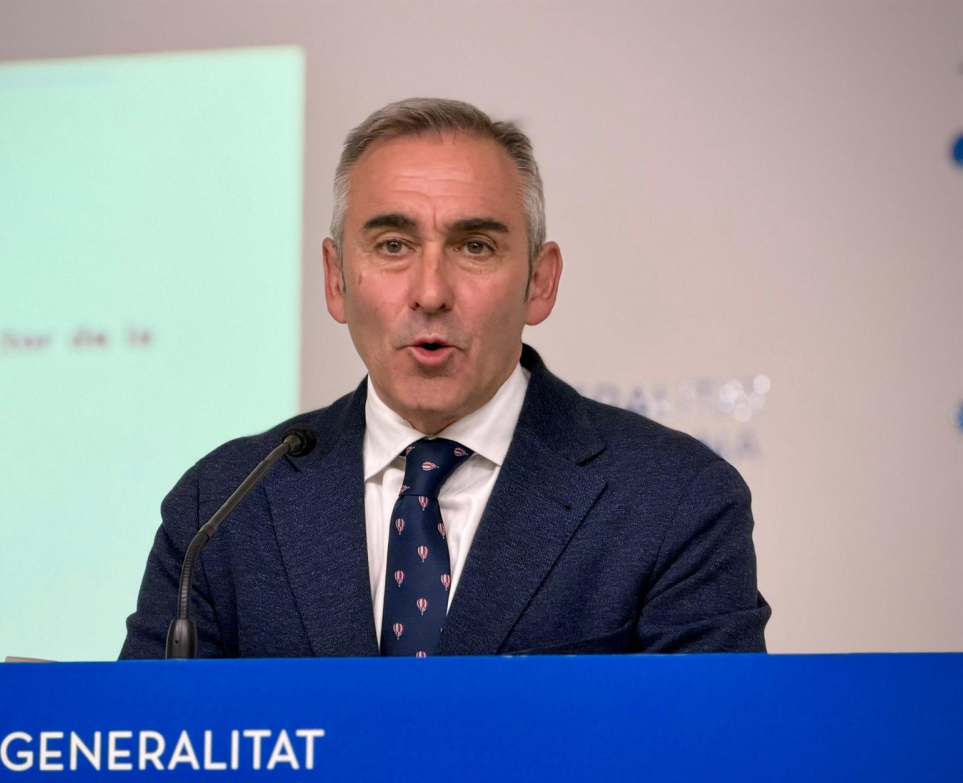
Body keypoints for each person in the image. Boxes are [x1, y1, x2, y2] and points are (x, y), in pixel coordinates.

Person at [120, 98, 770, 659]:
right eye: (393, 246)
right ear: (336, 279)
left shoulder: (674, 501)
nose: (431, 292)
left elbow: (707, 752)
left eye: (475, 246)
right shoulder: (222, 507)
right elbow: (150, 748)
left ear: (540, 283)